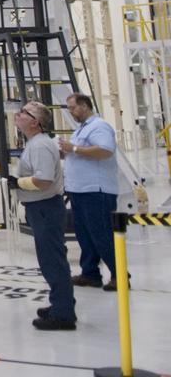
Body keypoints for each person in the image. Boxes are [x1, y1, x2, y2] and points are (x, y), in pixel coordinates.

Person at [8, 101, 76, 330]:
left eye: (24, 113)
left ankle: (63, 314)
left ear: (35, 122)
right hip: (42, 208)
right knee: (52, 259)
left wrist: (19, 183)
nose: (18, 114)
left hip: (45, 208)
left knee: (52, 261)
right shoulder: (36, 144)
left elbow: (44, 180)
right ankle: (61, 304)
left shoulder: (39, 146)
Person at [59, 93, 123, 291]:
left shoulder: (99, 126)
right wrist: (66, 151)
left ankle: (120, 275)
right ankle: (90, 274)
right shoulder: (81, 129)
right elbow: (79, 150)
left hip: (96, 191)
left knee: (101, 234)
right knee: (85, 235)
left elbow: (105, 150)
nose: (71, 111)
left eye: (73, 107)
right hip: (79, 190)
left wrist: (74, 149)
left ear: (85, 105)